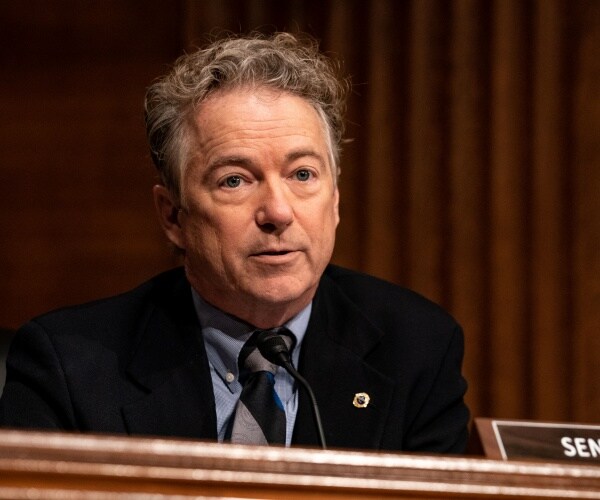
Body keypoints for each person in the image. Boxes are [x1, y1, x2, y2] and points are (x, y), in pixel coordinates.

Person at [0, 32, 469, 453]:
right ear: (172, 216)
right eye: (235, 181)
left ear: (336, 199)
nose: (278, 212)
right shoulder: (70, 368)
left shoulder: (415, 349)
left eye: (302, 174)